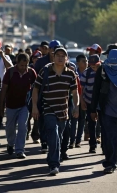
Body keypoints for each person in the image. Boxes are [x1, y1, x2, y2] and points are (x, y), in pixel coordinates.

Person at [32, 47, 79, 175]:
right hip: (48, 109)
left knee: (59, 137)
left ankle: (51, 157)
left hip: (63, 111)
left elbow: (75, 92)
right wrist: (34, 106)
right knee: (54, 135)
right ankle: (54, 164)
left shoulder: (70, 74)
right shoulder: (45, 71)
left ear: (66, 58)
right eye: (57, 55)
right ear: (53, 56)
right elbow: (35, 89)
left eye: (62, 56)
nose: (60, 57)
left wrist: (76, 106)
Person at [0, 53, 37, 158]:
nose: (23, 68)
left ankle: (20, 150)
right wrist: (1, 106)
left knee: (22, 126)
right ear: (17, 63)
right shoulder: (10, 72)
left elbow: (36, 88)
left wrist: (35, 104)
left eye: (25, 65)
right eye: (21, 65)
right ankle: (10, 143)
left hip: (24, 105)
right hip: (11, 105)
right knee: (10, 127)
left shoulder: (31, 72)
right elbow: (4, 90)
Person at [80, 54, 101, 153]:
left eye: (95, 65)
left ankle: (105, 145)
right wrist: (82, 101)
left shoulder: (104, 71)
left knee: (104, 123)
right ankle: (92, 145)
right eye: (92, 66)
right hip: (89, 101)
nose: (94, 68)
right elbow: (82, 89)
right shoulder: (86, 73)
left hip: (102, 102)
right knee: (91, 123)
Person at [69, 54, 88, 149]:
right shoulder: (74, 74)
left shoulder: (88, 73)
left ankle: (78, 141)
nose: (86, 63)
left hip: (84, 101)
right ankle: (71, 141)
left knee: (82, 121)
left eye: (86, 61)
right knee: (73, 121)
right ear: (78, 63)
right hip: (75, 101)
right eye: (83, 61)